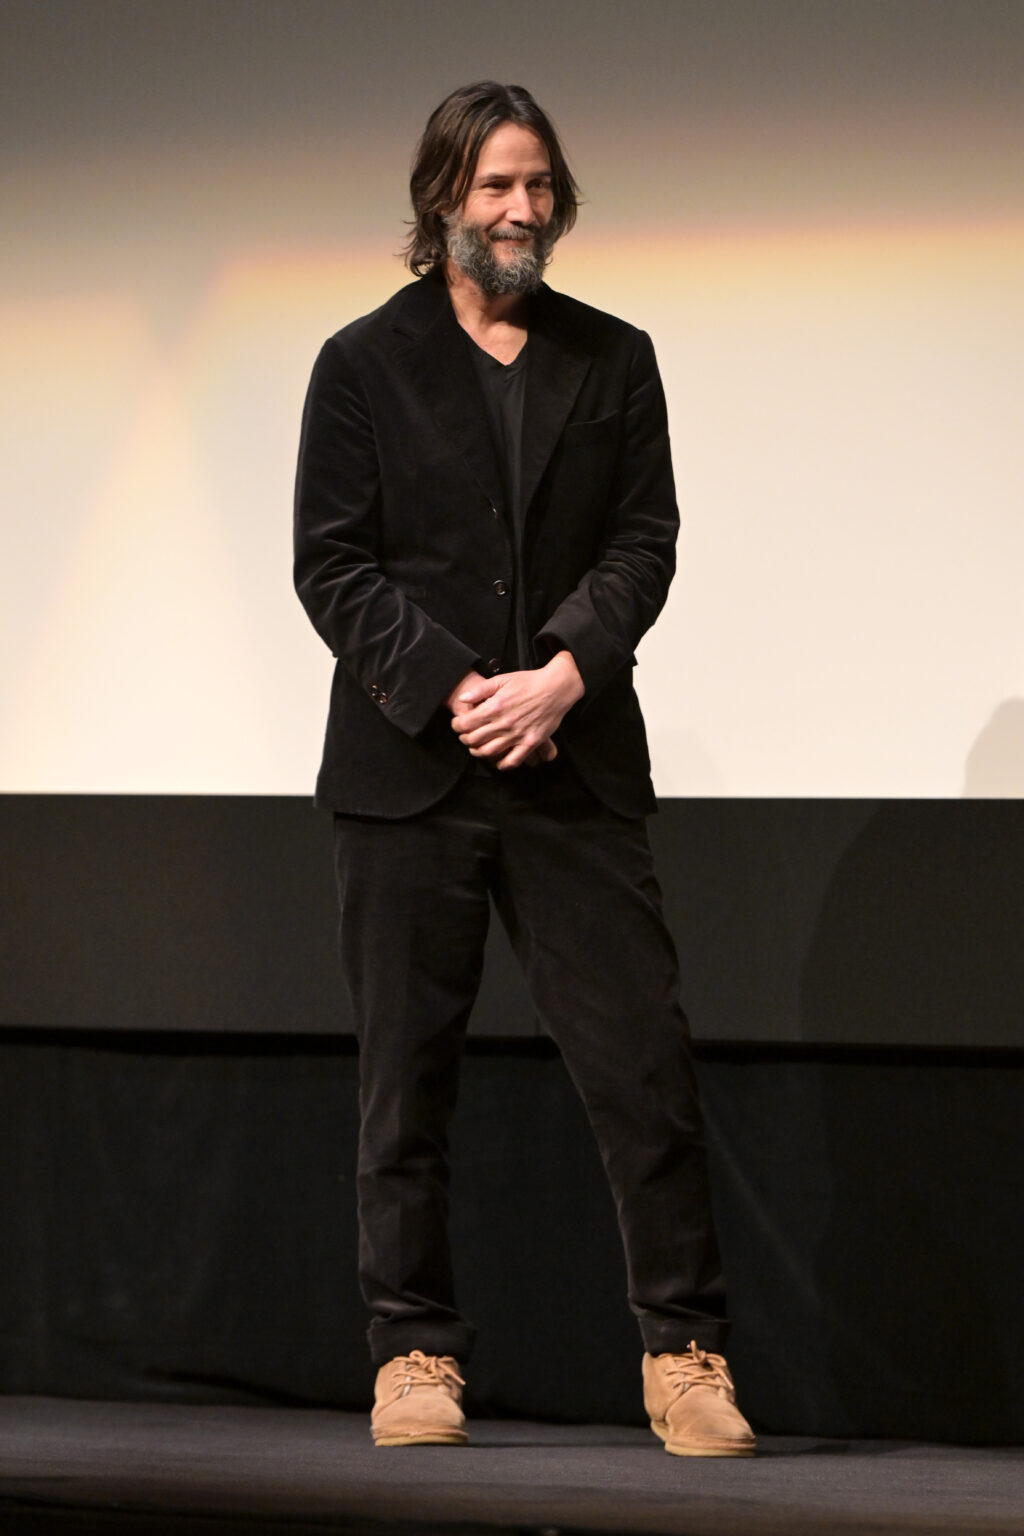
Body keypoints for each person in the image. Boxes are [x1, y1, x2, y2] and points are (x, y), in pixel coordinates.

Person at [293, 81, 755, 1458]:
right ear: (443, 197)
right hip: (409, 774)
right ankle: (413, 1353)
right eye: (496, 185)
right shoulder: (361, 364)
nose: (522, 209)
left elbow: (644, 544)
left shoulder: (613, 357)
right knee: (406, 1084)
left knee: (644, 1071)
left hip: (573, 763)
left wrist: (561, 674)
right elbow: (332, 563)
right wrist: (455, 687)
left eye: (540, 184)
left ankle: (684, 1354)